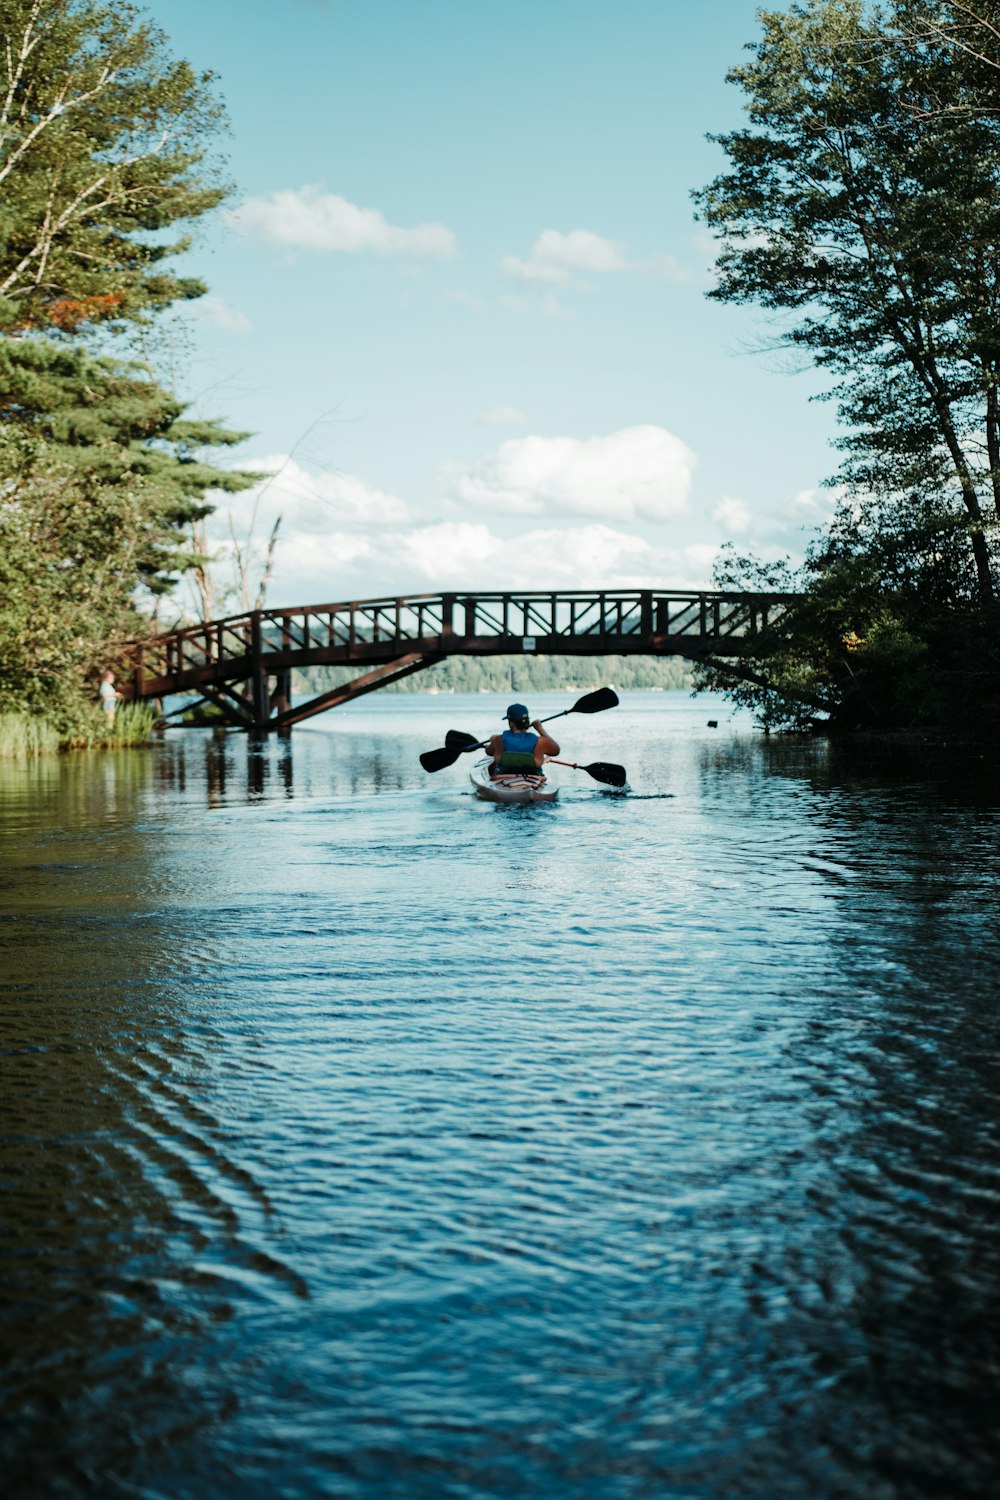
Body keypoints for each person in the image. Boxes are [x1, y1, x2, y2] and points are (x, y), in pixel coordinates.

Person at [487, 702, 560, 778]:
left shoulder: (499, 740)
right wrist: (539, 728)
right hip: (533, 779)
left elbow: (488, 752)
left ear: (511, 723)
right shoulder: (539, 742)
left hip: (503, 777)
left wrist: (493, 741)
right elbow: (556, 751)